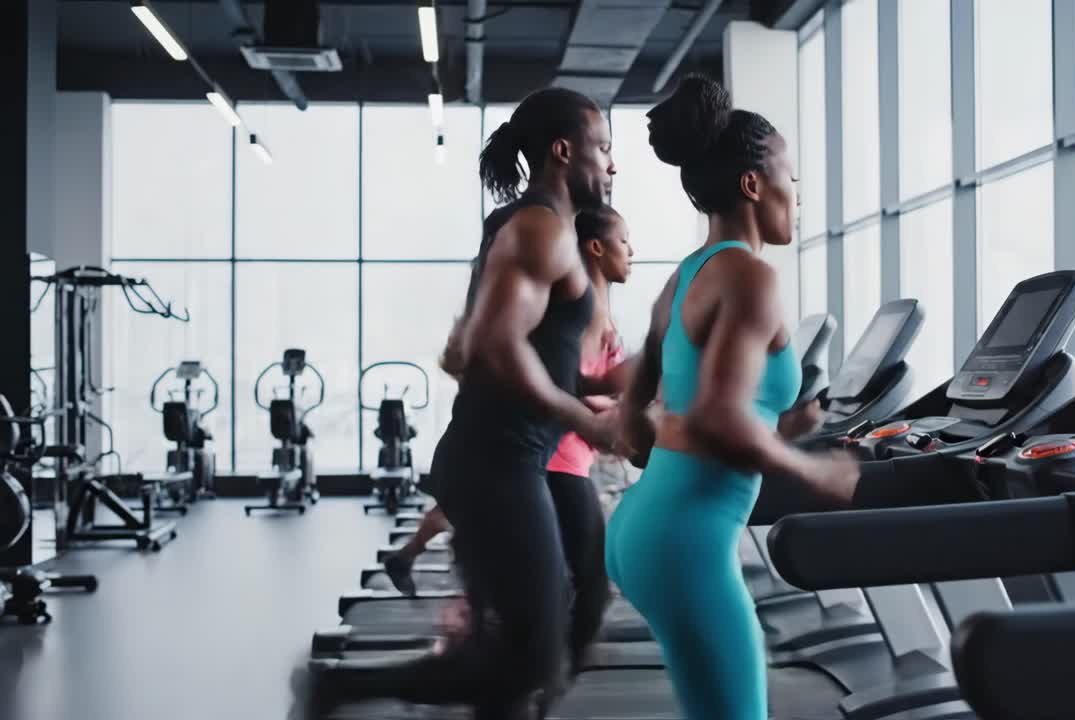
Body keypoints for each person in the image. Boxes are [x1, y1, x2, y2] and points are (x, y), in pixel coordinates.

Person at [301, 86, 625, 720]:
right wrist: (581, 418)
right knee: (529, 657)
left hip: (496, 459)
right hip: (497, 467)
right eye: (604, 149)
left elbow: (510, 349)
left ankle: (340, 689)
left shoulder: (521, 225)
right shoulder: (541, 228)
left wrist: (598, 388)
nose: (612, 166)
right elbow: (492, 346)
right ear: (563, 151)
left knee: (513, 654)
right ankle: (338, 689)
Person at [605, 75, 862, 720]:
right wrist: (813, 471)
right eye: (791, 180)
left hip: (647, 525)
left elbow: (636, 423)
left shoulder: (687, 274)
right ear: (753, 184)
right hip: (686, 541)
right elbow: (718, 415)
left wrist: (779, 431)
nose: (796, 198)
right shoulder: (750, 275)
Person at [384, 205, 635, 673]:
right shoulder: (575, 312)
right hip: (544, 460)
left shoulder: (558, 311)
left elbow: (565, 385)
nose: (633, 252)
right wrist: (608, 411)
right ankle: (540, 678)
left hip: (531, 460)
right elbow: (563, 387)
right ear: (595, 249)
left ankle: (513, 666)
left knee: (525, 594)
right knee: (579, 588)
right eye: (624, 241)